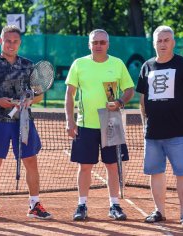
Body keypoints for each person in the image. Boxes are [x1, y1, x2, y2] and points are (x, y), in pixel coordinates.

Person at [0, 25, 52, 220]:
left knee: (31, 162)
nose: (11, 44)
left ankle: (35, 204)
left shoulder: (28, 65)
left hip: (23, 121)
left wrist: (29, 101)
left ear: (20, 43)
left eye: (15, 41)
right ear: (0, 41)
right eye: (7, 40)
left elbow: (39, 96)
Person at [65, 29, 134, 221]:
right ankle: (82, 205)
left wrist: (120, 102)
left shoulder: (118, 64)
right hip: (85, 125)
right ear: (89, 44)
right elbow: (69, 95)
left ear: (108, 44)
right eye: (95, 42)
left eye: (102, 42)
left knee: (112, 166)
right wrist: (70, 121)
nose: (98, 45)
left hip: (111, 122)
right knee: (85, 166)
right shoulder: (79, 64)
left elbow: (129, 89)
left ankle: (114, 205)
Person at [136, 26, 183, 226]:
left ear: (173, 42)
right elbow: (142, 100)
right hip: (153, 133)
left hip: (178, 132)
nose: (162, 44)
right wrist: (145, 124)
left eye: (166, 40)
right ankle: (159, 211)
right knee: (156, 173)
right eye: (159, 41)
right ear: (154, 43)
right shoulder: (146, 66)